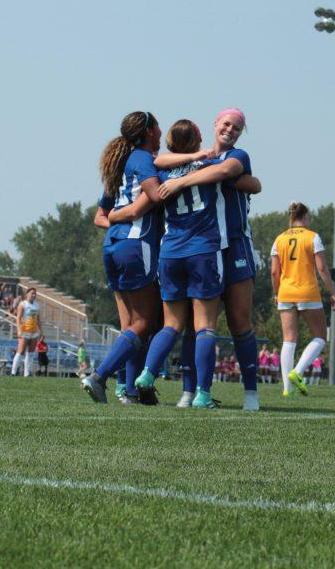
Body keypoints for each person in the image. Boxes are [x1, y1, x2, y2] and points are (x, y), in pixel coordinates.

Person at [152, 108, 263, 409]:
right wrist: (193, 164)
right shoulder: (197, 159)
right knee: (196, 325)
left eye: (237, 127)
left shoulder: (237, 156)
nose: (230, 129)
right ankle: (192, 391)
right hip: (203, 248)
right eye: (226, 124)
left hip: (235, 246)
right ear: (215, 125)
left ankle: (251, 393)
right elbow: (159, 160)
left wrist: (182, 182)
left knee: (240, 321)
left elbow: (230, 174)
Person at [130, 119, 231, 410]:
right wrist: (202, 156)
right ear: (198, 140)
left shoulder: (161, 168)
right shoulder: (207, 166)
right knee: (204, 327)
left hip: (171, 251)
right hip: (203, 250)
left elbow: (159, 159)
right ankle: (203, 394)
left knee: (171, 324)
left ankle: (147, 374)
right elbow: (237, 174)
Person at [83, 111, 165, 405]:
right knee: (145, 322)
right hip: (135, 243)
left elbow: (99, 216)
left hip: (113, 246)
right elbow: (155, 195)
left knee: (131, 325)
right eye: (157, 125)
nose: (161, 129)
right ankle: (99, 376)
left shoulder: (121, 166)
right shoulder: (143, 158)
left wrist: (116, 220)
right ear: (149, 131)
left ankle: (128, 390)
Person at [270, 201, 335, 397]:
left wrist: (276, 292)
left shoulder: (279, 239)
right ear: (305, 216)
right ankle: (297, 372)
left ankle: (286, 389)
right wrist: (332, 292)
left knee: (289, 340)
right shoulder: (312, 237)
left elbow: (275, 272)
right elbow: (323, 269)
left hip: (285, 292)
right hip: (307, 292)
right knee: (320, 336)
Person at [11, 291, 41, 378]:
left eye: (35, 293)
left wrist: (41, 331)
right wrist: (19, 330)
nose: (34, 295)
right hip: (25, 330)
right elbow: (18, 318)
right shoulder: (23, 304)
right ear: (27, 294)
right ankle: (13, 372)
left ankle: (27, 373)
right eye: (32, 293)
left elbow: (38, 319)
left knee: (30, 353)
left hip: (34, 331)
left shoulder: (37, 305)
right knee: (21, 351)